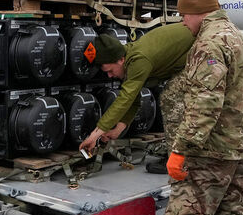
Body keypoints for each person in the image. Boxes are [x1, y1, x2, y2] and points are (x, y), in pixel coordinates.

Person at [162, 0, 243, 215]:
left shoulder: (209, 44)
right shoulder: (241, 39)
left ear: (197, 12)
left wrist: (180, 149)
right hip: (239, 147)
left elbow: (205, 103)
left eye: (184, 16)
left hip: (210, 152)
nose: (183, 23)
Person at [78, 23, 195, 175]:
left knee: (171, 99)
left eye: (110, 70)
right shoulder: (129, 58)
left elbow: (125, 98)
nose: (110, 76)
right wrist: (117, 130)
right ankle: (181, 153)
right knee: (171, 96)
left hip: (201, 51)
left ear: (120, 60)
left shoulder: (139, 60)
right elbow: (133, 98)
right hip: (189, 56)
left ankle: (179, 160)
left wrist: (95, 134)